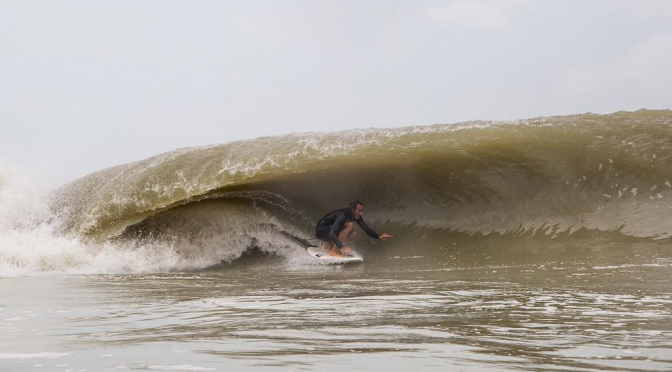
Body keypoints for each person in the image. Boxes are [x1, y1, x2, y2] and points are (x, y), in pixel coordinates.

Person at [315, 200, 393, 257]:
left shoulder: (356, 216)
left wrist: (379, 236)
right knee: (350, 225)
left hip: (328, 233)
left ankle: (329, 246)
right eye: (359, 210)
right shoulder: (343, 215)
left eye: (362, 211)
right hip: (321, 232)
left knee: (354, 233)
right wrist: (342, 247)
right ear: (352, 209)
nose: (361, 213)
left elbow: (366, 229)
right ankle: (335, 251)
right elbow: (332, 233)